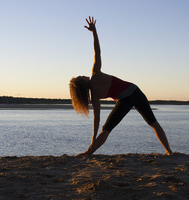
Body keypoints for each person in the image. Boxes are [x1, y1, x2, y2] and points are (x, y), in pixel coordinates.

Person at [69, 17, 172, 156]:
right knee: (153, 123)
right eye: (81, 77)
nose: (83, 75)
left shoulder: (95, 95)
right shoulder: (96, 74)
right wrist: (94, 32)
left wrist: (93, 138)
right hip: (135, 91)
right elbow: (97, 52)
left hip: (127, 98)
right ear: (82, 84)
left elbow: (97, 119)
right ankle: (169, 152)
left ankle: (88, 152)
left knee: (106, 129)